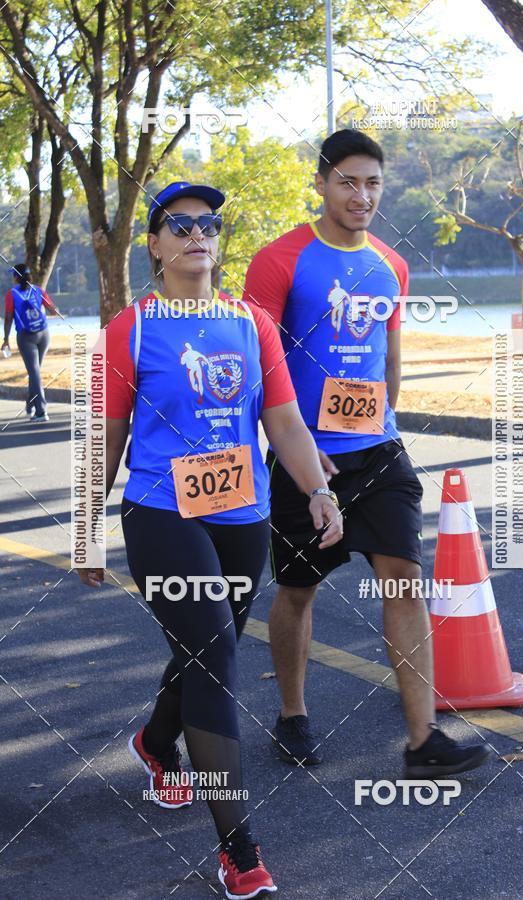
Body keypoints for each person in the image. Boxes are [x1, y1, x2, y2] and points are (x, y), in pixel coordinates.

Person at [77, 181, 343, 899]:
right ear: (155, 245)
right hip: (163, 512)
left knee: (206, 650)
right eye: (180, 224)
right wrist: (86, 526)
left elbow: (283, 421)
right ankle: (238, 848)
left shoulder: (251, 324)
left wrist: (317, 491)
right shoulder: (129, 330)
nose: (198, 234)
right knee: (217, 659)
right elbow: (106, 437)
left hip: (243, 513)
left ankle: (155, 742)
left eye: (209, 225)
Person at [243, 130, 492, 777]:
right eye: (348, 182)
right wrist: (289, 452)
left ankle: (422, 740)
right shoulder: (279, 260)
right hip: (307, 461)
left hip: (379, 452)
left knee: (404, 579)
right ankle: (293, 714)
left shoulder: (390, 264)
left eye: (373, 183)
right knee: (297, 591)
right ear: (321, 183)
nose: (362, 195)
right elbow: (256, 365)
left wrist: (386, 426)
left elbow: (390, 356)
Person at [2, 264, 60, 421]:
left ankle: (41, 411)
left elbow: (8, 318)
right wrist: (54, 310)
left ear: (16, 277)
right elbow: (52, 310)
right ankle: (30, 405)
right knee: (34, 372)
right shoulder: (38, 290)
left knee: (34, 372)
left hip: (26, 336)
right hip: (44, 334)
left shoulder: (12, 293)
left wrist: (6, 339)